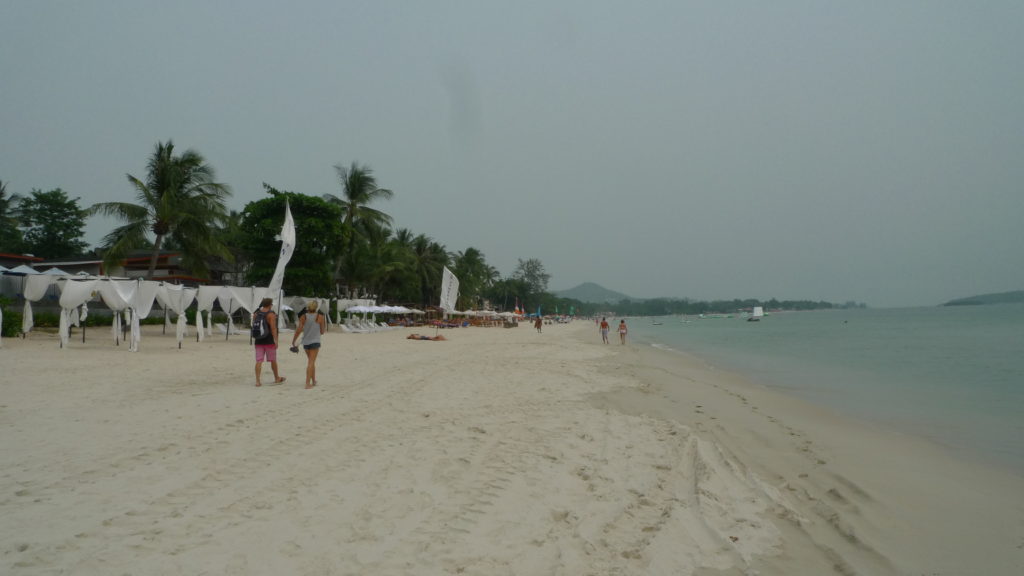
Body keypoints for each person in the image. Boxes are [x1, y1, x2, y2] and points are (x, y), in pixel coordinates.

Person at [291, 300, 327, 389]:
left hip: (306, 342)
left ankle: (313, 380)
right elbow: (322, 332)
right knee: (311, 362)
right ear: (316, 308)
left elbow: (299, 329)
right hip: (315, 341)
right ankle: (307, 383)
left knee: (311, 362)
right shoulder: (320, 317)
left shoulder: (304, 316)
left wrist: (294, 340)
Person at [253, 297, 285, 386]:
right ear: (270, 305)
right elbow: (273, 328)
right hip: (269, 340)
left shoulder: (256, 313)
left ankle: (257, 381)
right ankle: (276, 378)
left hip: (258, 340)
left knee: (259, 360)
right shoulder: (271, 314)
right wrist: (276, 340)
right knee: (273, 360)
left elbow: (254, 326)